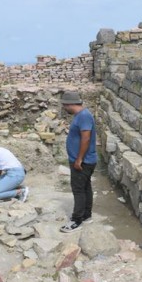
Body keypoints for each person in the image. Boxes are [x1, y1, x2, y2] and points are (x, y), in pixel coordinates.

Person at [59, 91, 97, 233]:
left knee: (78, 189)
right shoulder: (80, 116)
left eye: (64, 105)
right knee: (86, 187)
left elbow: (86, 138)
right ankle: (86, 215)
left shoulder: (84, 116)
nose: (64, 108)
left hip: (83, 161)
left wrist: (79, 159)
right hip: (82, 160)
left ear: (70, 104)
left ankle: (76, 220)